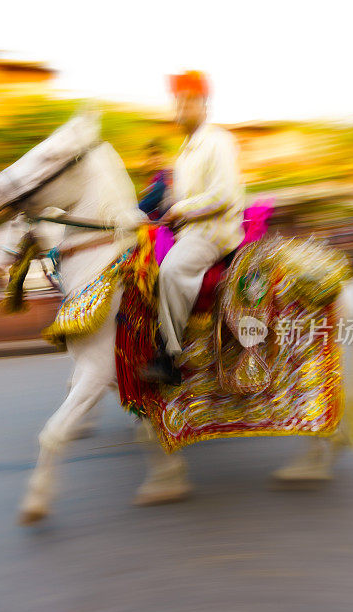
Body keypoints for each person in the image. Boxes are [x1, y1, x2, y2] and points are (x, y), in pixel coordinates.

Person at [140, 70, 246, 384]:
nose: (179, 109)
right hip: (191, 231)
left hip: (215, 232)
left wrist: (180, 209)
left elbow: (224, 195)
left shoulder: (218, 141)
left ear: (203, 105)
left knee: (171, 270)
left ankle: (169, 357)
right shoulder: (185, 152)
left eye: (186, 102)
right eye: (177, 103)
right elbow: (178, 199)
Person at [137, 140, 171, 221]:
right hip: (155, 221)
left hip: (162, 225)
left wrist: (129, 212)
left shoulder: (163, 177)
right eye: (151, 155)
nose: (155, 158)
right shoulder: (153, 177)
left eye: (158, 154)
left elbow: (146, 205)